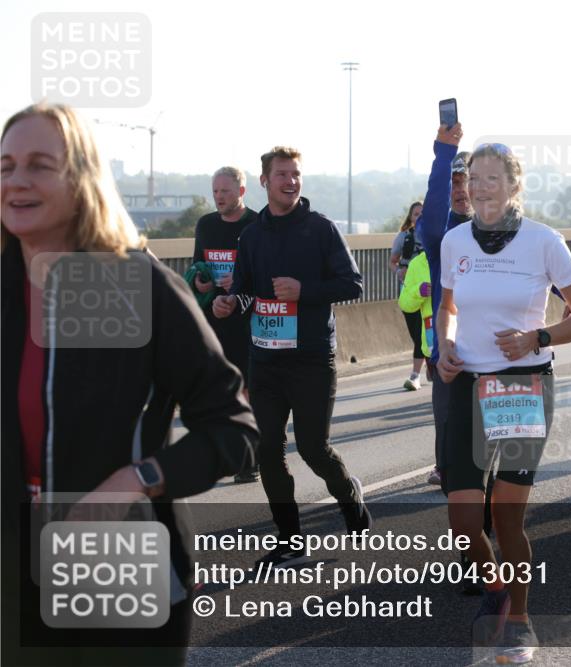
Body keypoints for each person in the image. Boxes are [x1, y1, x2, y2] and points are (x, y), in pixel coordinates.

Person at [1, 102, 258, 666]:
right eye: (6, 165)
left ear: (81, 180)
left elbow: (233, 428)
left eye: (39, 165)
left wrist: (137, 480)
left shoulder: (136, 287)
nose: (17, 180)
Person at [436, 142, 571, 662]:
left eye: (491, 178)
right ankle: (496, 591)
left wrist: (538, 338)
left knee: (508, 518)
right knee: (464, 523)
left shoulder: (543, 241)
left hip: (521, 384)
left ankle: (522, 621)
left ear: (513, 185)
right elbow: (447, 307)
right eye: (473, 178)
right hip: (462, 384)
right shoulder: (454, 240)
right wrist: (443, 344)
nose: (480, 187)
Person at [213, 146, 371, 566]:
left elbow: (354, 286)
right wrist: (230, 302)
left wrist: (305, 291)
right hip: (265, 359)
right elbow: (246, 290)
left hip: (312, 359)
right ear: (265, 181)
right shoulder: (251, 235)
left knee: (315, 449)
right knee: (267, 449)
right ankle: (289, 537)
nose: (291, 181)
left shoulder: (321, 229)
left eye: (296, 174)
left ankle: (349, 496)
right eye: (282, 174)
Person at [415, 123, 474, 486]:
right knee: (449, 424)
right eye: (454, 184)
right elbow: (434, 203)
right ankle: (446, 467)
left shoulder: (501, 230)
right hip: (449, 350)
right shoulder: (439, 234)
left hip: (496, 348)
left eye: (466, 182)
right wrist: (444, 152)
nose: (460, 191)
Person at [192, 166, 259, 483]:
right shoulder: (205, 225)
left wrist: (243, 279)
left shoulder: (257, 224)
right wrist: (203, 282)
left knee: (245, 390)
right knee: (220, 391)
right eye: (215, 191)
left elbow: (267, 269)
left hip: (247, 319)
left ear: (241, 192)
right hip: (214, 317)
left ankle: (250, 459)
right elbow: (197, 267)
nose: (219, 197)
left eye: (226, 192)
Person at [390, 201, 426, 390]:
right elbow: (392, 261)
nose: (419, 217)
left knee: (424, 334)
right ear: (410, 218)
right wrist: (399, 273)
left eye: (422, 213)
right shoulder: (403, 237)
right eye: (415, 214)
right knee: (416, 333)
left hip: (428, 292)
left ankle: (415, 375)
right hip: (409, 291)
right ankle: (428, 364)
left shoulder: (435, 237)